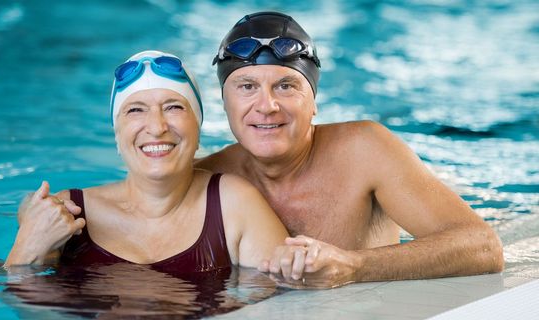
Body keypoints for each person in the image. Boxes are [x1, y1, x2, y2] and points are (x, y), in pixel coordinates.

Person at [197, 11, 504, 288]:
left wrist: (353, 265)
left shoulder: (365, 151)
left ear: (314, 101)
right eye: (247, 87)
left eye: (286, 86)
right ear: (225, 102)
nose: (267, 106)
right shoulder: (207, 180)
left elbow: (482, 246)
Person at [4, 50, 289, 274]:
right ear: (117, 136)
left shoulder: (233, 205)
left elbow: (289, 304)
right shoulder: (67, 215)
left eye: (174, 107)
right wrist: (26, 249)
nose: (156, 126)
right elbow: (24, 306)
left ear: (198, 129)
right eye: (135, 110)